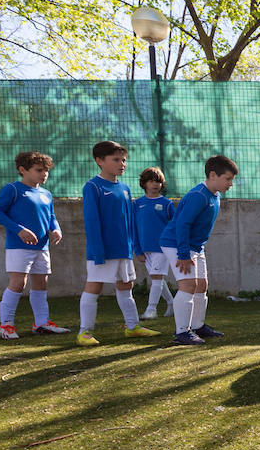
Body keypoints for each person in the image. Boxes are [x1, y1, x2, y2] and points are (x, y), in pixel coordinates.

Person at [78, 141, 159, 346]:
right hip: (103, 250)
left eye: (123, 160)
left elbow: (130, 220)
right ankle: (84, 333)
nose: (122, 163)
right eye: (116, 159)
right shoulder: (92, 186)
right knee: (94, 287)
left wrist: (135, 247)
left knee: (126, 285)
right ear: (99, 161)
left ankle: (132, 327)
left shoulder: (124, 188)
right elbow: (91, 221)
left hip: (124, 249)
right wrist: (97, 251)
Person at [0, 150, 70, 338]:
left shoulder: (46, 194)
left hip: (42, 247)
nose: (44, 174)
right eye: (39, 170)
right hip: (19, 246)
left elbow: (51, 217)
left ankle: (41, 324)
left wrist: (56, 229)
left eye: (46, 170)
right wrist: (19, 229)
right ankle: (6, 325)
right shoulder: (12, 189)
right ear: (22, 170)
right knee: (18, 283)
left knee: (41, 283)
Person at [160, 154, 238, 346]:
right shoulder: (198, 196)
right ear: (213, 175)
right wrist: (184, 254)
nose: (230, 184)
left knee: (201, 285)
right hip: (176, 243)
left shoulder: (215, 195)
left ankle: (197, 326)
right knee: (188, 285)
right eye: (227, 179)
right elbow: (182, 225)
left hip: (196, 246)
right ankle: (181, 332)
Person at [132, 166, 176, 319]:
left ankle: (151, 310)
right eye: (151, 181)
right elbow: (133, 229)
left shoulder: (167, 204)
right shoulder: (137, 204)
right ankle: (172, 304)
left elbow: (175, 225)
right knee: (158, 278)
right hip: (145, 249)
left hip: (162, 248)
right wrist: (137, 250)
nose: (155, 184)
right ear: (144, 183)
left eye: (158, 181)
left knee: (156, 278)